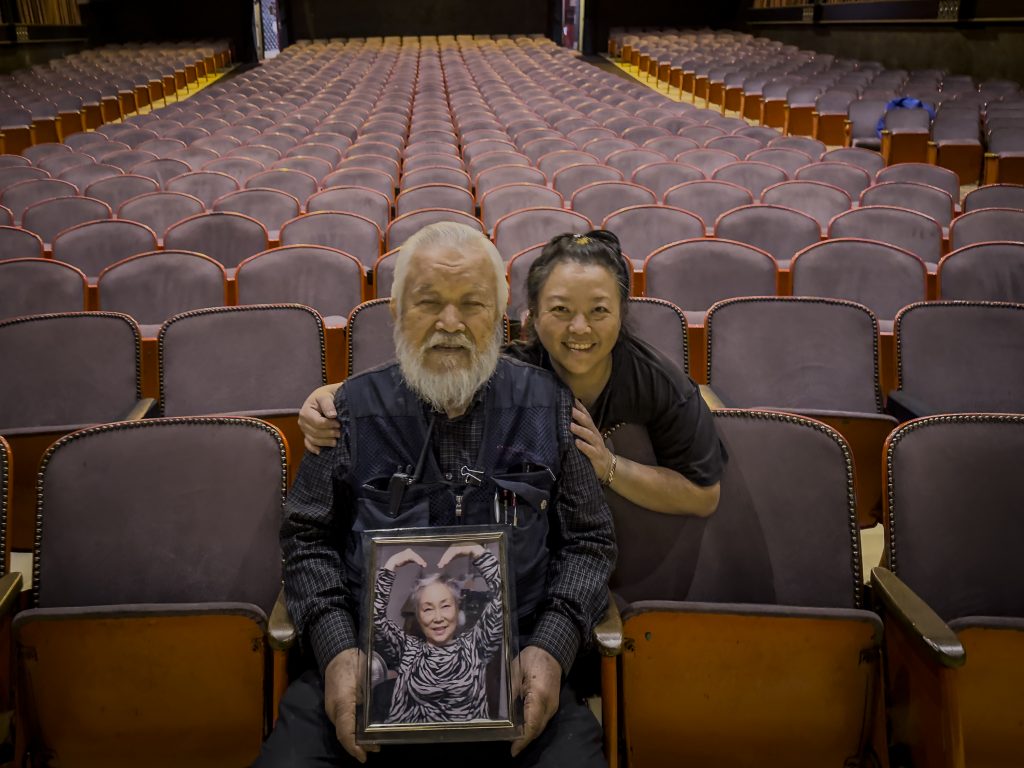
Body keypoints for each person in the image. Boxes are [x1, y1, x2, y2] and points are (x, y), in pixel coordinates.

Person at [256, 222, 615, 768]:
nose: (451, 324)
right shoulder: (346, 414)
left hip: (517, 672)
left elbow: (589, 542)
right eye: (429, 303)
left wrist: (552, 649)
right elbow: (306, 541)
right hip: (368, 674)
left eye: (472, 304)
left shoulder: (548, 408)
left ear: (497, 318)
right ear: (397, 313)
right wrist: (336, 654)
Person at [299, 229, 725, 519]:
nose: (580, 328)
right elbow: (437, 368)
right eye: (560, 310)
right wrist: (333, 395)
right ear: (530, 319)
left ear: (621, 314)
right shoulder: (514, 367)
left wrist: (609, 466)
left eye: (599, 311)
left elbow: (705, 496)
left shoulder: (659, 381)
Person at [373, 543, 502, 724]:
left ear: (458, 611)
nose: (438, 617)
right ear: (418, 616)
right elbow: (375, 620)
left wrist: (478, 552)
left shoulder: (476, 644)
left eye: (445, 606)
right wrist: (391, 564)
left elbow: (504, 600)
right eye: (428, 609)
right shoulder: (406, 649)